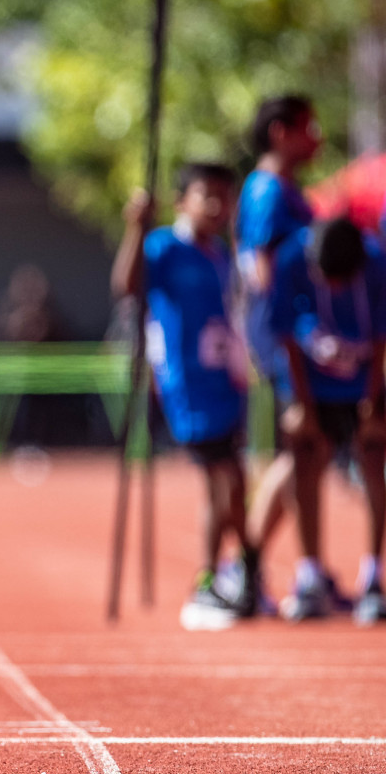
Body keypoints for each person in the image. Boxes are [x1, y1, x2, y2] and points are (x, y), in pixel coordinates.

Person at [112, 165, 261, 630]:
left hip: (226, 381)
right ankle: (209, 579)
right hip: (189, 386)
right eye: (206, 197)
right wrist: (136, 229)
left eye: (225, 197)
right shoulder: (164, 247)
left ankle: (243, 568)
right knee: (221, 480)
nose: (217, 207)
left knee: (234, 480)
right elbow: (127, 286)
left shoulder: (219, 253)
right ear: (183, 202)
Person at [268, 218, 386, 625]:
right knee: (306, 463)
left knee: (373, 464)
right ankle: (311, 574)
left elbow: (381, 338)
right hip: (313, 384)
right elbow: (284, 334)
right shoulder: (290, 259)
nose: (333, 287)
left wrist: (372, 403)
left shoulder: (376, 261)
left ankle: (373, 576)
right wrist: (303, 404)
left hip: (364, 381)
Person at [237, 95, 323, 568]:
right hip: (283, 340)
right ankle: (244, 564)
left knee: (311, 450)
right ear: (281, 132)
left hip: (294, 337)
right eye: (309, 127)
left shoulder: (282, 189)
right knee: (303, 445)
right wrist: (279, 340)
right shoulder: (267, 190)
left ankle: (256, 563)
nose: (319, 138)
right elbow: (261, 270)